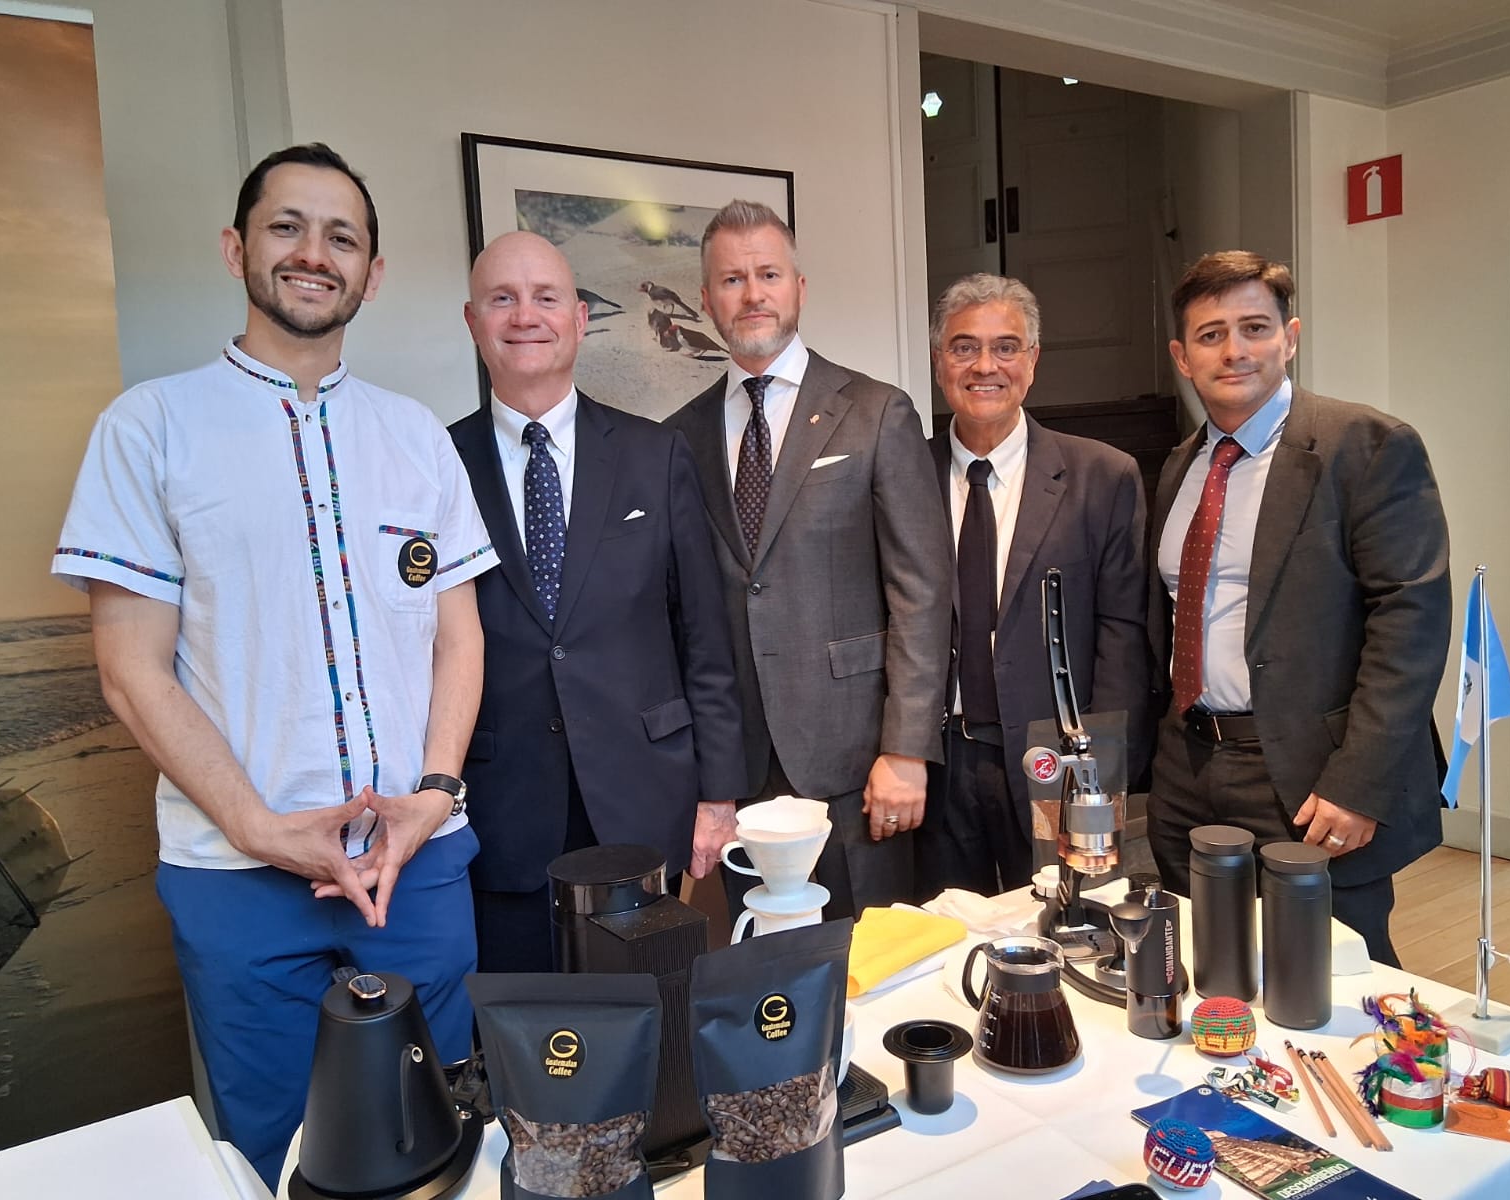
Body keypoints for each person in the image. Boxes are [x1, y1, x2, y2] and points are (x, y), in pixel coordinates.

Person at [52, 144, 496, 1187]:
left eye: (342, 237)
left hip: (415, 862)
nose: (313, 253)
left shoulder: (415, 436)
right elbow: (130, 671)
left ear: (371, 273)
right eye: (286, 226)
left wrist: (434, 795)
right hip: (238, 874)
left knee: (444, 1135)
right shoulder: (151, 428)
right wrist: (257, 826)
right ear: (236, 248)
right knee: (281, 1148)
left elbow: (459, 637)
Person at [451, 232, 745, 972]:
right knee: (525, 1025)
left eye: (546, 298)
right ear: (473, 321)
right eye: (503, 299)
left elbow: (704, 640)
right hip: (500, 805)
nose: (526, 316)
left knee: (649, 1015)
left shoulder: (656, 455)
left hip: (644, 798)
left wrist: (719, 796)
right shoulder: (436, 463)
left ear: (579, 318)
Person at [1147, 250, 1450, 966]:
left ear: (1290, 337)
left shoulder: (1367, 447)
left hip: (1311, 777)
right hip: (1189, 766)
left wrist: (1359, 782)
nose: (1235, 350)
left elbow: (1409, 624)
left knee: (1330, 980)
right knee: (1207, 969)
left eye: (1255, 327)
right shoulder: (1179, 466)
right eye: (1211, 334)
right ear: (1182, 357)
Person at [667, 200, 951, 915]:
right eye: (731, 280)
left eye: (768, 274)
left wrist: (907, 749)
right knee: (765, 963)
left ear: (798, 287)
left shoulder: (876, 412)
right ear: (706, 299)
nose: (752, 294)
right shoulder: (679, 437)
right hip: (740, 768)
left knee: (871, 961)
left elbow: (921, 592)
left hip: (858, 765)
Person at [918, 274, 1152, 898]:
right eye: (964, 347)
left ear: (1033, 360)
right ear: (939, 360)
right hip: (939, 762)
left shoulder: (1103, 476)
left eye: (1006, 347)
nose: (984, 366)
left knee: (1068, 917)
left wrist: (1104, 769)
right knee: (948, 928)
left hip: (1058, 761)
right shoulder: (904, 472)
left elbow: (1122, 634)